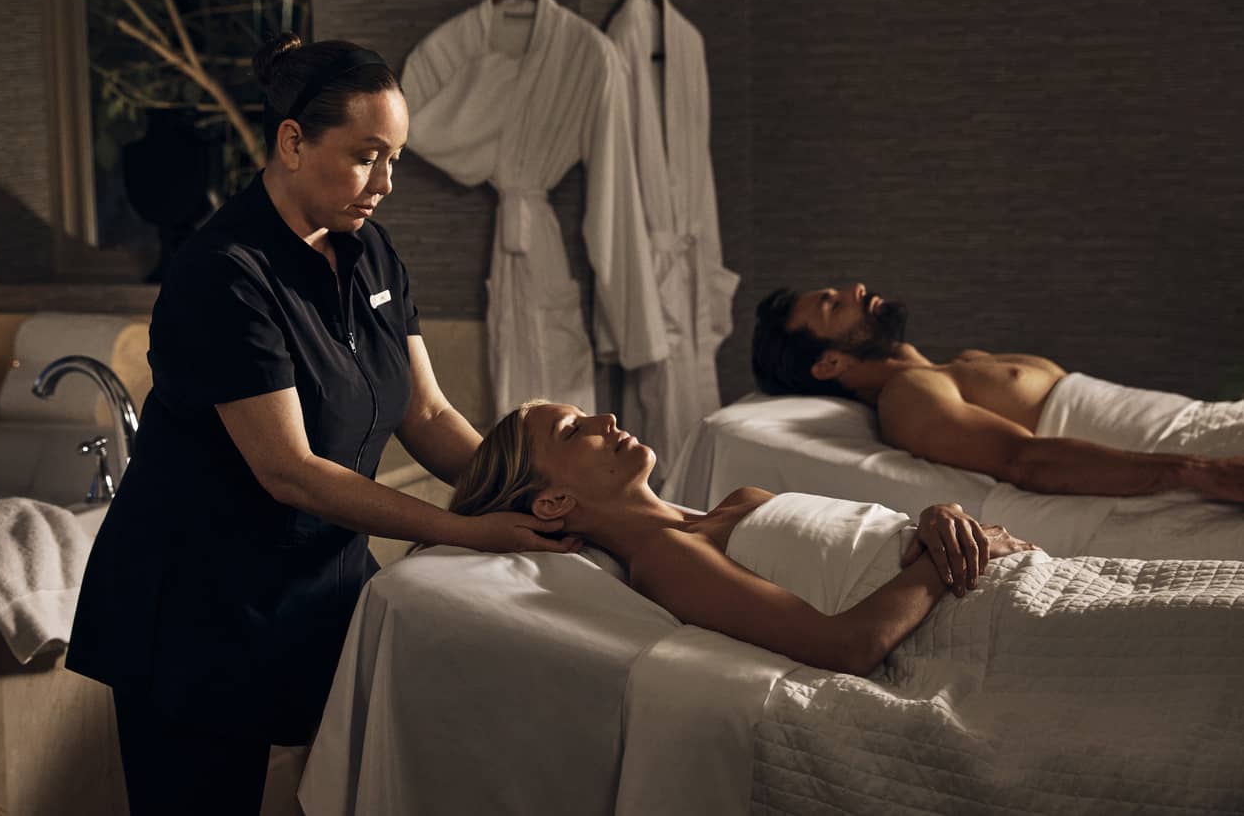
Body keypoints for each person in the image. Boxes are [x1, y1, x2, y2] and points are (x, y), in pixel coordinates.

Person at [64, 35, 581, 814]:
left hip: (315, 588)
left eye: (397, 158)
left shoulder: (368, 251)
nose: (387, 182)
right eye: (368, 155)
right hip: (193, 614)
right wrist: (474, 530)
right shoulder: (223, 274)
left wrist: (543, 492)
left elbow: (427, 410)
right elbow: (291, 470)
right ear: (293, 141)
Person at [448, 400, 1040, 675]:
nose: (607, 421)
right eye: (575, 432)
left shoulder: (739, 503)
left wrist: (940, 514)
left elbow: (880, 541)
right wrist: (943, 558)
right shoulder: (664, 559)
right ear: (553, 502)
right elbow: (847, 647)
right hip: (982, 610)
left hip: (1011, 572)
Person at [750, 283, 1244, 501]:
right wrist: (1193, 470)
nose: (855, 288)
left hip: (1209, 423)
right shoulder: (908, 395)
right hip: (1199, 456)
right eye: (833, 306)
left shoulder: (959, 364)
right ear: (829, 363)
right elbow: (1024, 461)